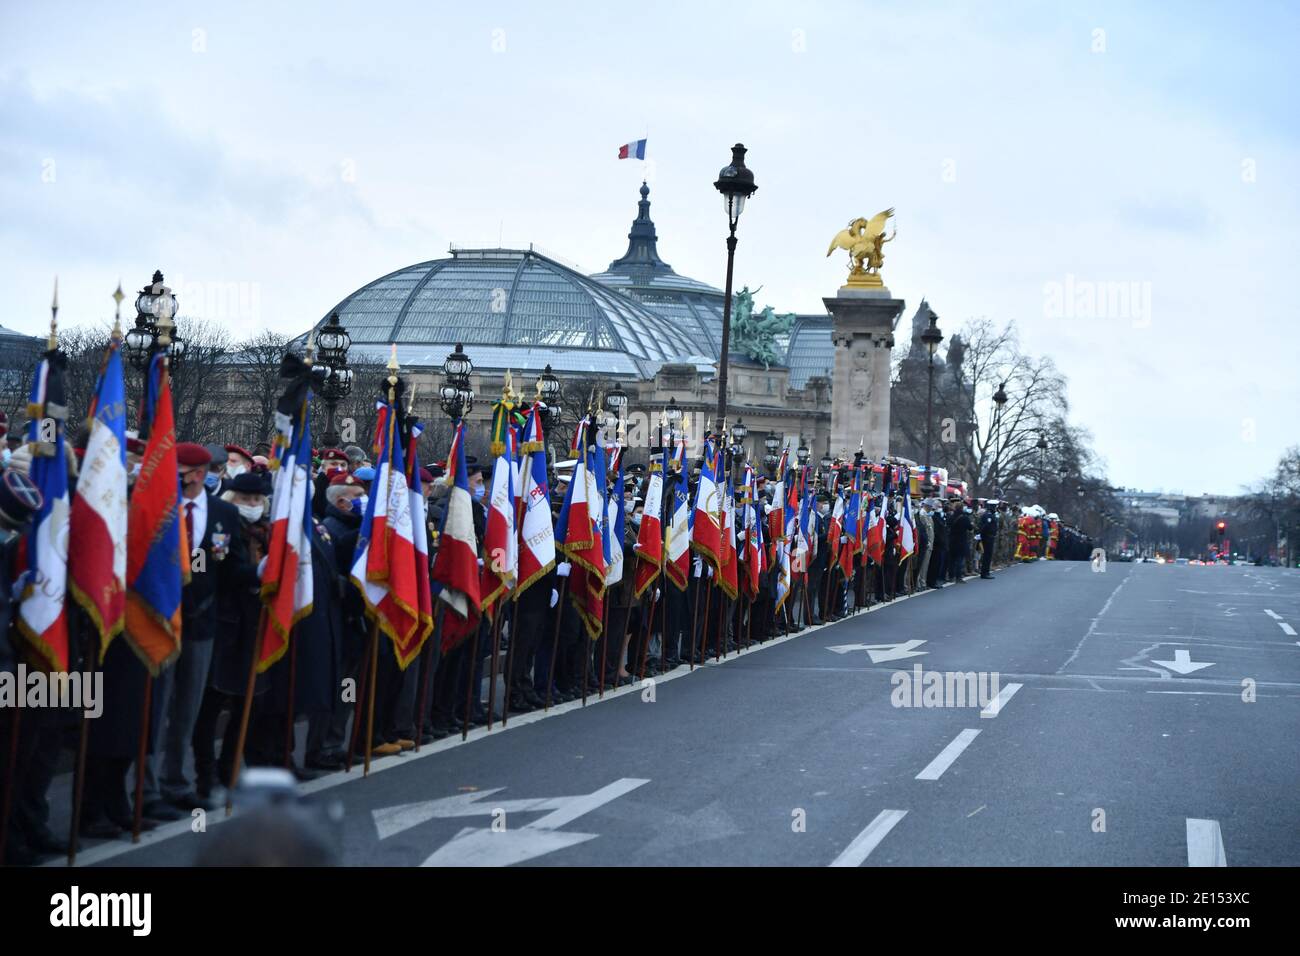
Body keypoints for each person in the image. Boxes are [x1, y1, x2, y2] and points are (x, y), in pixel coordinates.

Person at [977, 500, 998, 579]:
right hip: (987, 537)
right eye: (994, 507)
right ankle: (984, 573)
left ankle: (986, 571)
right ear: (991, 507)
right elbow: (985, 527)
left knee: (988, 555)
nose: (995, 508)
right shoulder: (988, 516)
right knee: (987, 555)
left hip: (990, 537)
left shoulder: (991, 515)